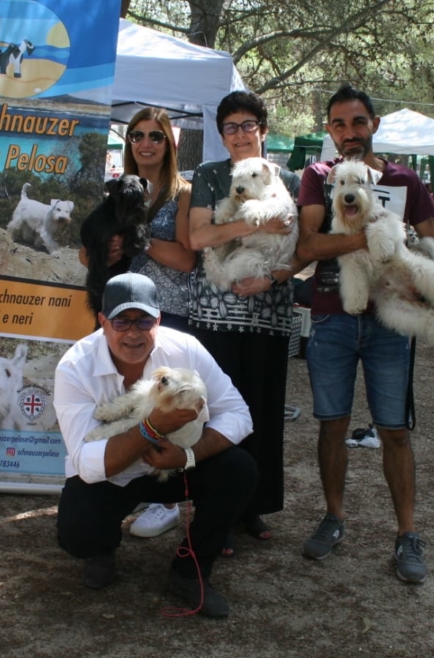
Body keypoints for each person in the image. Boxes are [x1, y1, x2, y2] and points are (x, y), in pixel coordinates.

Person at [294, 84, 434, 583]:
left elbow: (432, 242)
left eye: (357, 122)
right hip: (333, 318)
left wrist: (422, 279)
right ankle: (334, 518)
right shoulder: (317, 177)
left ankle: (407, 535)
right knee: (333, 425)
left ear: (373, 124)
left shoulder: (404, 178)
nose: (348, 133)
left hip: (389, 321)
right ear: (329, 130)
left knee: (394, 431)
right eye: (338, 124)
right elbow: (310, 244)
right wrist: (372, 236)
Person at [54, 273, 256, 618]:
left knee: (239, 469)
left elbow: (239, 415)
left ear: (158, 321)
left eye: (144, 320)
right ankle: (102, 549)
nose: (133, 332)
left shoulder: (186, 349)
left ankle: (190, 569)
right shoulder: (74, 366)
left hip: (176, 463)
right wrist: (151, 428)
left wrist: (189, 454)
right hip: (112, 474)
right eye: (122, 321)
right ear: (102, 322)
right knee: (77, 535)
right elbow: (88, 463)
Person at [187, 90, 303, 555]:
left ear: (263, 130)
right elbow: (199, 236)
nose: (239, 134)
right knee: (213, 413)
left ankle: (251, 507)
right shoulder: (209, 175)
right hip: (213, 315)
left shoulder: (286, 177)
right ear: (221, 134)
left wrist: (274, 275)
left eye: (248, 125)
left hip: (268, 313)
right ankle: (214, 510)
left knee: (261, 410)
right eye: (230, 127)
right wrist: (254, 225)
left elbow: (300, 250)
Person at [112, 108, 197, 538]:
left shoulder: (184, 192)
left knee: (166, 406)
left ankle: (166, 498)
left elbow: (186, 258)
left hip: (170, 312)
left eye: (155, 137)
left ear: (169, 144)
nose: (146, 144)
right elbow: (94, 254)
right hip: (123, 315)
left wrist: (138, 232)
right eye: (137, 136)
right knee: (125, 401)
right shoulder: (117, 189)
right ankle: (123, 487)